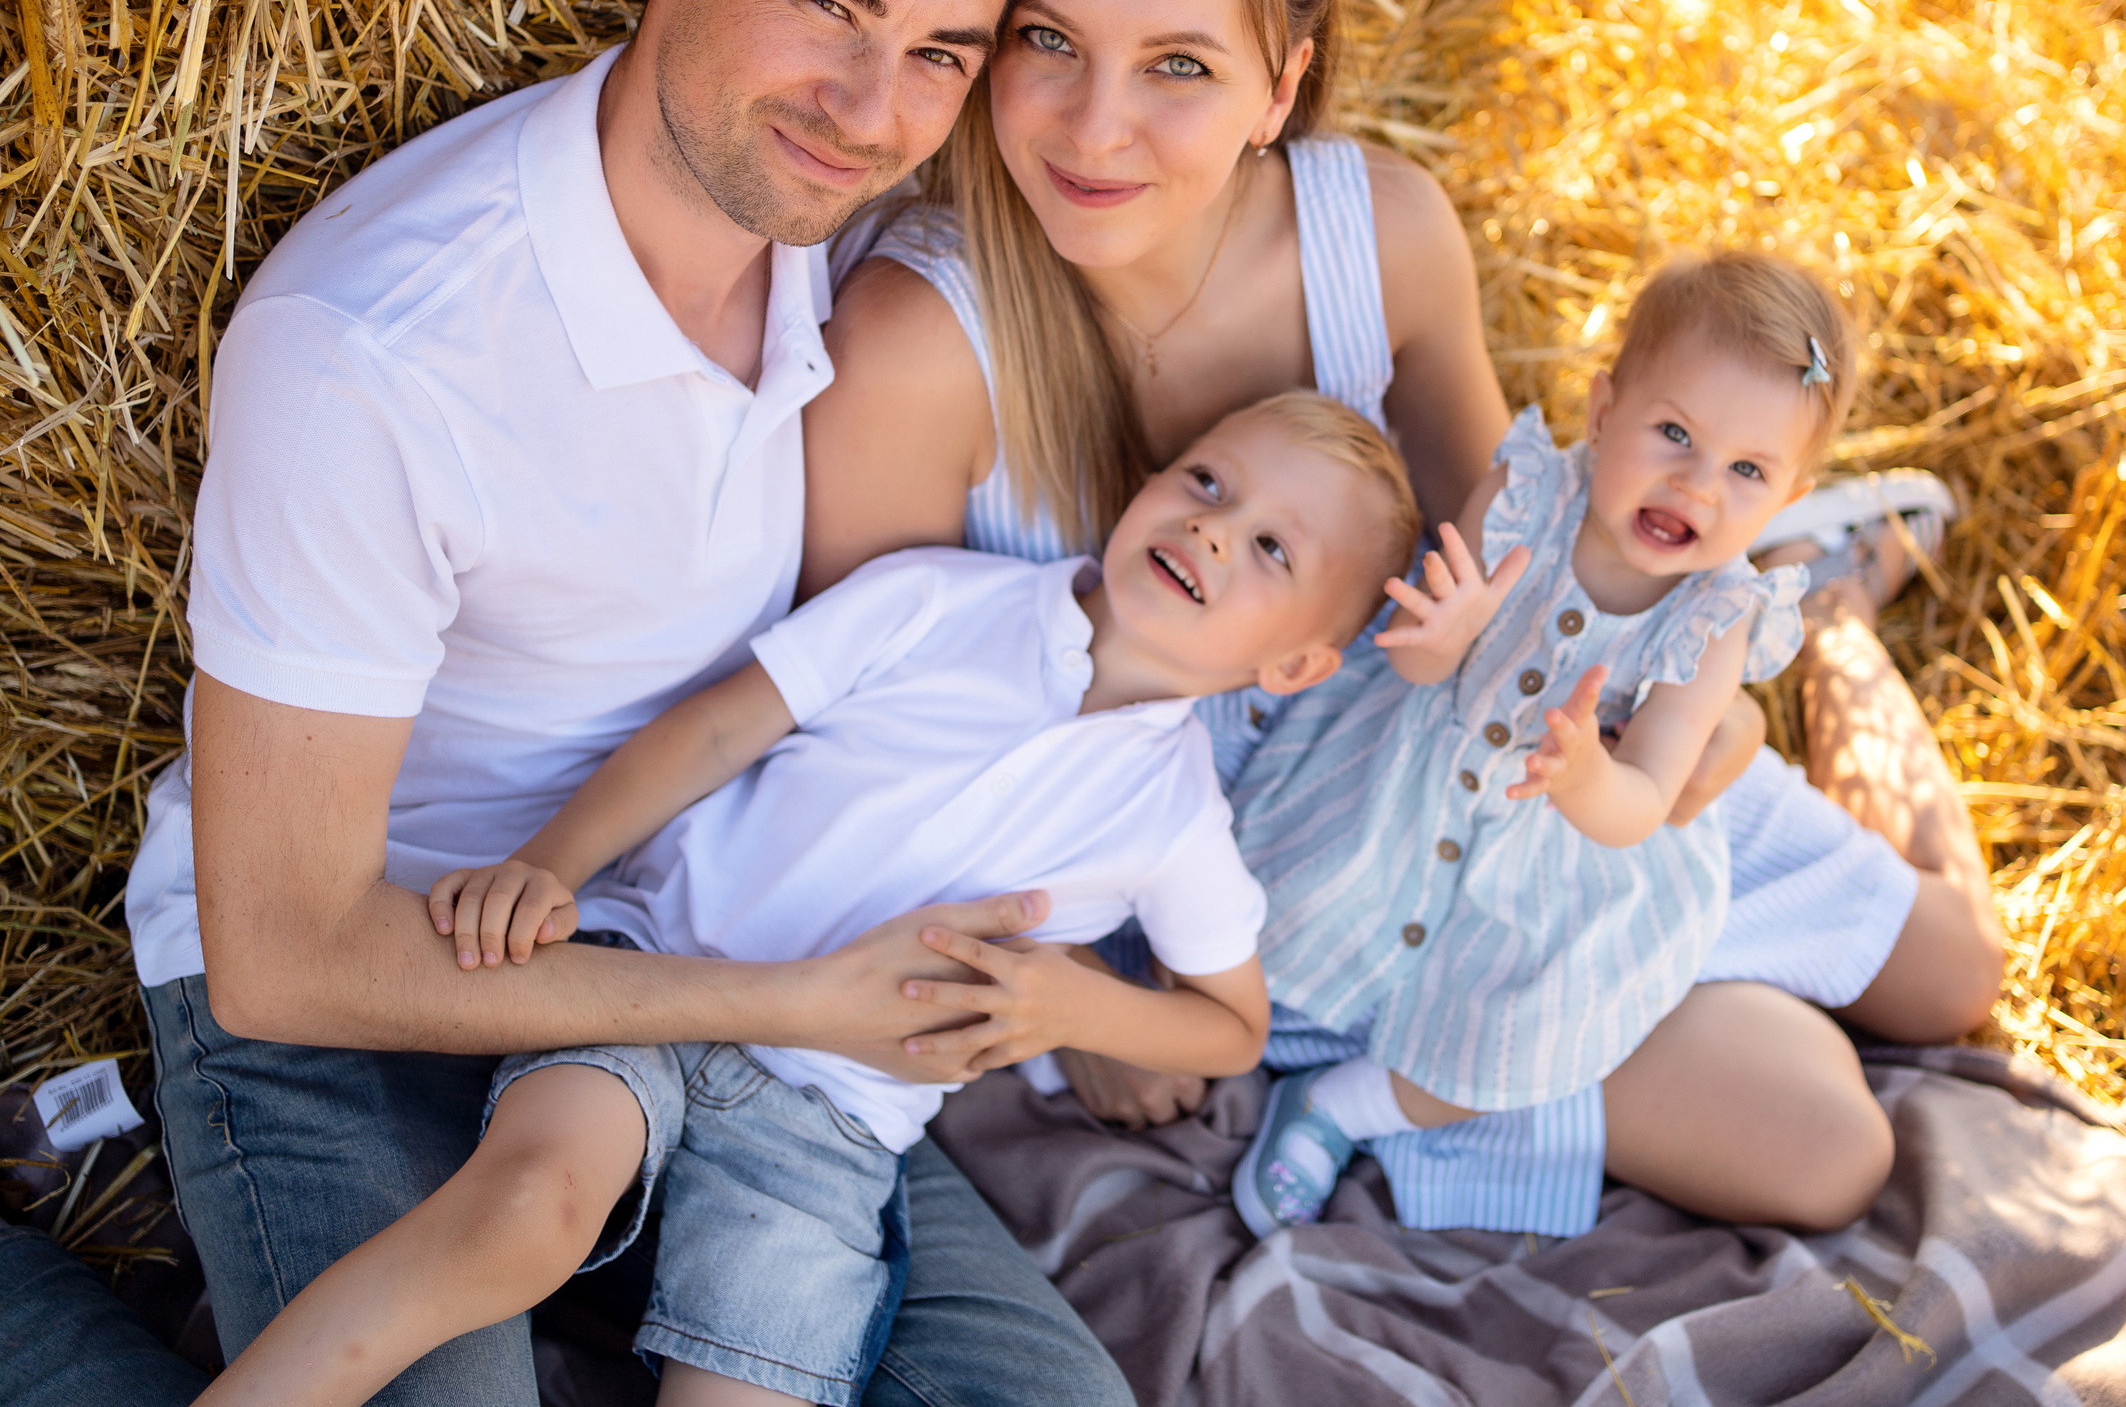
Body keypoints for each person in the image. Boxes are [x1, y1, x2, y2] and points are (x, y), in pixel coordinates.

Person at [83, 0, 1143, 1406]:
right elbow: (283, 942)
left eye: (943, 51)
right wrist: (799, 996)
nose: (877, 110)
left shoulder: (859, 248)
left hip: (682, 934)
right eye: (831, 7)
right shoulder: (382, 347)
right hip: (357, 982)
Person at [799, 0, 1999, 1239]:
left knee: (1956, 977)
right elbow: (870, 752)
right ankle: (1570, 990)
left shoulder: (1378, 231)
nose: (1095, 124)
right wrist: (1093, 998)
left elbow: (1521, 529)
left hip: (1531, 741)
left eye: (1179, 63)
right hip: (1297, 894)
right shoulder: (921, 346)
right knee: (1826, 1143)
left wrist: (1713, 718)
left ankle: (1819, 630)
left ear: (1282, 84)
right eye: (1048, 38)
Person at [195, 393, 1421, 1407]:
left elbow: (1231, 1027)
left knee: (752, 1381)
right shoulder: (939, 601)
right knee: (525, 1206)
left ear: (1297, 668)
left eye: (1272, 548)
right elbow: (722, 728)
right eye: (1210, 483)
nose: (1216, 530)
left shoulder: (1177, 818)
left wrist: (1070, 1006)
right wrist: (552, 865)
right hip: (658, 975)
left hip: (831, 1125)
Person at [1229, 253, 1840, 1234]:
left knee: (1522, 1036)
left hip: (1560, 856)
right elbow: (1425, 672)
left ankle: (1340, 1107)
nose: (1695, 484)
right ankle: (1218, 1026)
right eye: (1673, 433)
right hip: (1405, 782)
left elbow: (1645, 799)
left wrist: (1586, 775)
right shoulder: (1521, 496)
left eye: (1746, 471)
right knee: (1284, 911)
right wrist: (1437, 639)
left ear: (1787, 498)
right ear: (1602, 413)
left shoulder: (1716, 618)